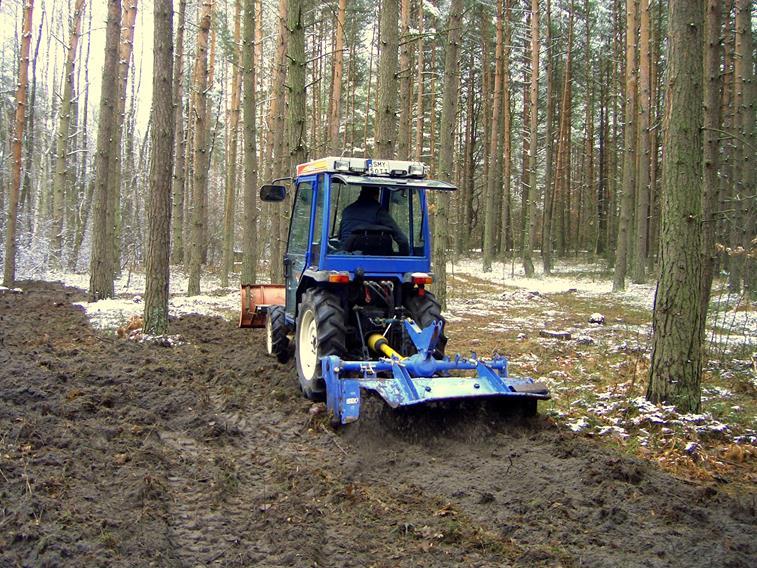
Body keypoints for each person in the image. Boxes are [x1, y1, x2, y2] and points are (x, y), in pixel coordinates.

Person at [339, 187, 410, 255]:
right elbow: (403, 241)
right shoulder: (378, 211)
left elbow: (341, 237)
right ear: (376, 195)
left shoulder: (347, 211)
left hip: (345, 258)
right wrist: (404, 259)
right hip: (379, 261)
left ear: (361, 193)